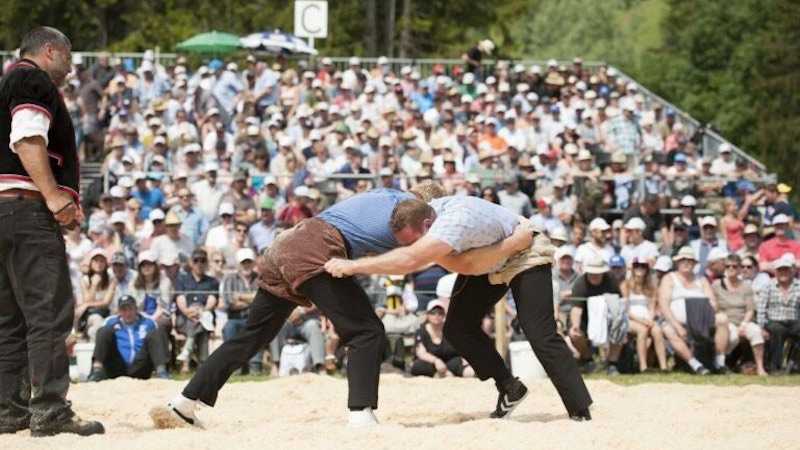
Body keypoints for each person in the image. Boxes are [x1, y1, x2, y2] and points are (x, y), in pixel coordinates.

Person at [157, 183, 526, 428]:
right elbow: (426, 259)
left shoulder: (386, 195)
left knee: (252, 337)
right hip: (317, 250)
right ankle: (360, 414)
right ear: (427, 214)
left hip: (286, 244)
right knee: (367, 331)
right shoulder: (411, 226)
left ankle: (184, 402)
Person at [325, 195, 593, 422]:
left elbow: (417, 261)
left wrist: (353, 266)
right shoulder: (426, 213)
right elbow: (465, 263)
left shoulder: (453, 221)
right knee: (457, 328)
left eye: (412, 240)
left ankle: (579, 409)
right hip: (488, 259)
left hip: (525, 252)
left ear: (428, 224)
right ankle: (509, 387)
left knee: (539, 331)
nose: (409, 245)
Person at [0, 26, 104, 436]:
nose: (72, 65)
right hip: (27, 211)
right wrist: (55, 196)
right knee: (48, 312)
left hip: (4, 211)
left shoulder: (7, 81)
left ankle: (9, 411)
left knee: (10, 320)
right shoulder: (30, 78)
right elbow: (27, 139)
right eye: (69, 56)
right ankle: (50, 411)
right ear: (50, 50)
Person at [86, 295, 171, 382]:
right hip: (117, 365)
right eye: (124, 310)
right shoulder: (110, 322)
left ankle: (161, 372)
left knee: (156, 334)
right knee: (103, 332)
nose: (128, 313)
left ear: (136, 309)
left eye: (130, 309)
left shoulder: (148, 322)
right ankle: (97, 371)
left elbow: (158, 345)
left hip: (140, 365)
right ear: (119, 311)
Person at [712, 254, 767, 376]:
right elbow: (713, 306)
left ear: (739, 269)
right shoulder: (716, 285)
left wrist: (743, 324)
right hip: (725, 322)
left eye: (734, 266)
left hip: (743, 320)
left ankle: (760, 367)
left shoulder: (746, 286)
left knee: (756, 332)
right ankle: (720, 364)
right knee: (733, 337)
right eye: (728, 266)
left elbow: (750, 309)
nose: (731, 269)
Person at [756, 253, 800, 374]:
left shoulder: (798, 286)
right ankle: (775, 367)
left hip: (794, 320)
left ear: (792, 271)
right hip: (775, 321)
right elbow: (761, 308)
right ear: (775, 272)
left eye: (786, 269)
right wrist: (762, 327)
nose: (783, 273)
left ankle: (796, 365)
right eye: (780, 270)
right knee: (777, 331)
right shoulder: (768, 286)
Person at [219, 248, 261, 375]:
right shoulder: (229, 279)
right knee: (229, 327)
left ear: (253, 263)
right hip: (235, 318)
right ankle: (234, 366)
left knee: (261, 328)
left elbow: (262, 301)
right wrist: (252, 299)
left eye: (249, 262)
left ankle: (255, 364)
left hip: (254, 318)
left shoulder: (260, 278)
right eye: (244, 262)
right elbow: (229, 302)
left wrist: (241, 297)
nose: (246, 265)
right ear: (238, 263)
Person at [621, 260, 668, 373]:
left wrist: (650, 319)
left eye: (643, 266)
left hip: (647, 318)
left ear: (647, 269)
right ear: (633, 269)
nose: (640, 269)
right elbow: (625, 310)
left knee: (657, 331)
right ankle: (643, 366)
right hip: (631, 319)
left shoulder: (651, 287)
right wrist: (640, 320)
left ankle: (663, 366)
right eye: (637, 266)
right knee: (642, 331)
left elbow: (652, 307)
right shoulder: (625, 285)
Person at [410, 300, 475, 378]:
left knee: (469, 371)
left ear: (444, 315)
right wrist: (436, 361)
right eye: (433, 312)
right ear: (427, 315)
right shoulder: (421, 332)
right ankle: (443, 376)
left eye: (440, 313)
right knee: (419, 366)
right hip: (430, 364)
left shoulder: (451, 331)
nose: (436, 315)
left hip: (452, 362)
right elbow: (421, 353)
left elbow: (461, 348)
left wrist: (466, 360)